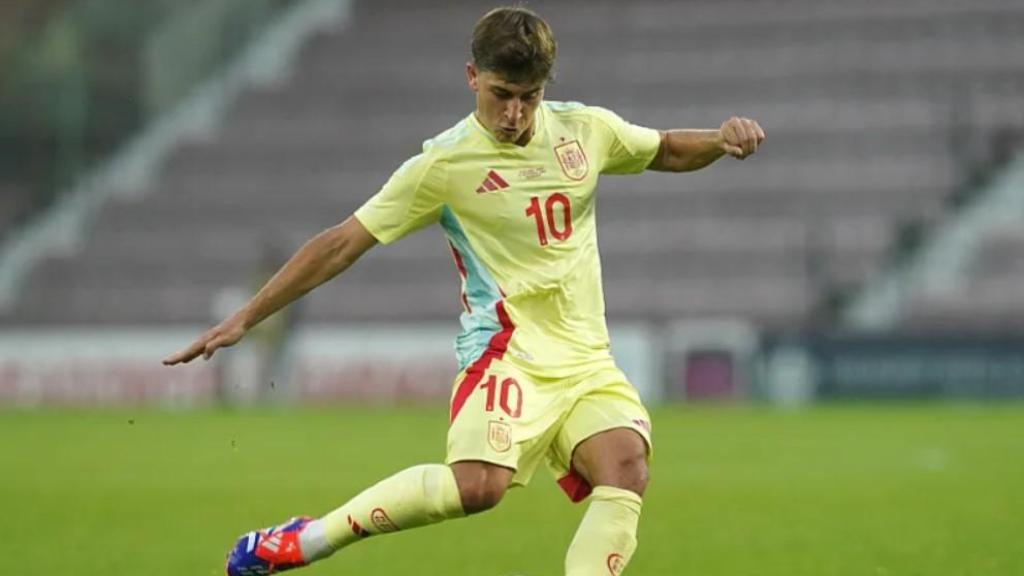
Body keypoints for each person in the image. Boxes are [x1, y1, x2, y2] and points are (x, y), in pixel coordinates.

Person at [163, 6, 764, 575]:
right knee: (479, 488)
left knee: (626, 467)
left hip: (585, 359)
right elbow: (344, 241)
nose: (514, 113)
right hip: (506, 353)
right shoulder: (444, 166)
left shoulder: (586, 130)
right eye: (501, 94)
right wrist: (247, 316)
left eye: (529, 97)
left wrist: (719, 138)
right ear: (472, 77)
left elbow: (661, 149)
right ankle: (304, 541)